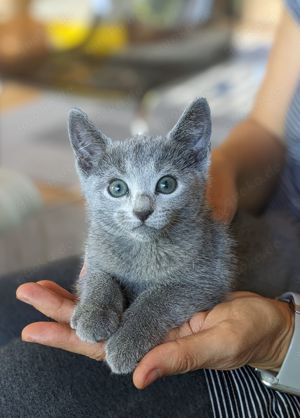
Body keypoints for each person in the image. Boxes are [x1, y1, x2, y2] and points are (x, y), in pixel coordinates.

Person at [1, 1, 300, 416]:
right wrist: (222, 176)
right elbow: (268, 129)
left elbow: (196, 284)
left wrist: (285, 338)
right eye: (119, 188)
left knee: (19, 385)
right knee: (6, 309)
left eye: (163, 185)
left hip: (284, 318)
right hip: (272, 209)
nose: (141, 206)